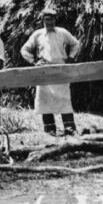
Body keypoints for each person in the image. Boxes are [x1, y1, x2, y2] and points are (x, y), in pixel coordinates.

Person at [20, 8, 81, 136]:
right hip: (44, 71)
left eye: (52, 19)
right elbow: (24, 50)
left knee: (64, 99)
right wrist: (34, 62)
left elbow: (76, 44)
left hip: (61, 70)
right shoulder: (38, 34)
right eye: (47, 19)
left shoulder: (62, 32)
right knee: (44, 100)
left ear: (55, 19)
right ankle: (50, 129)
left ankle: (69, 128)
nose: (50, 22)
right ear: (43, 20)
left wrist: (70, 57)